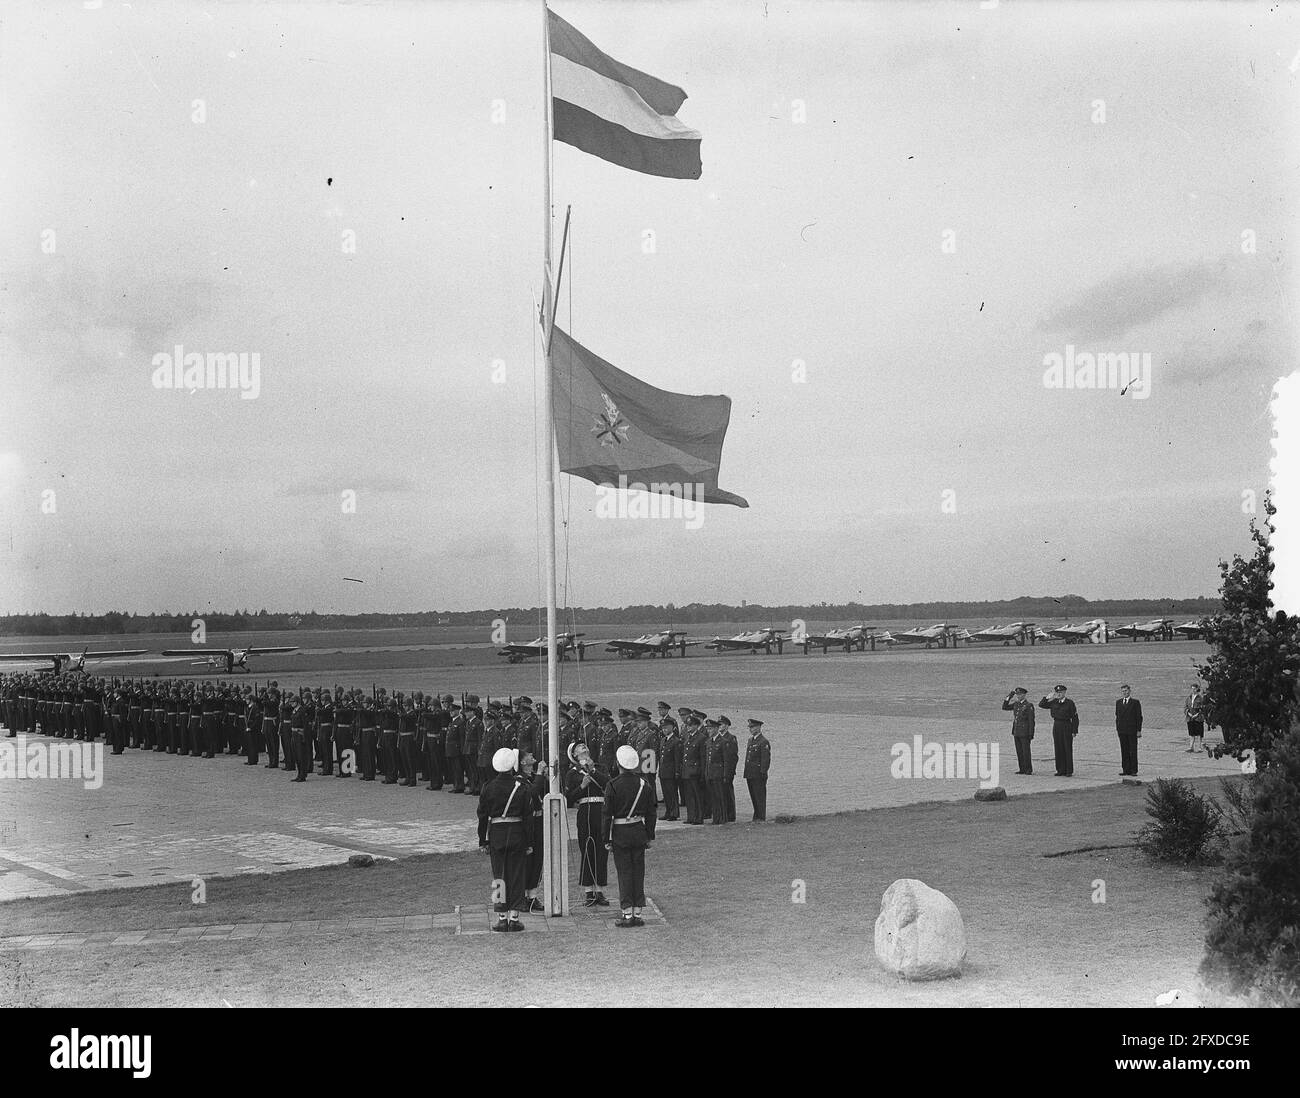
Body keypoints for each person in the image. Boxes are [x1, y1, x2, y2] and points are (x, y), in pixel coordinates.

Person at [477, 747, 531, 932]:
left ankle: (501, 917)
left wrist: (482, 841)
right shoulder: (521, 787)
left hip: (497, 834)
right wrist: (529, 842)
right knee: (517, 876)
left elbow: (482, 816)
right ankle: (514, 917)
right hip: (516, 833)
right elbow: (528, 817)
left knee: (498, 877)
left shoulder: (488, 787)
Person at [604, 744, 656, 928]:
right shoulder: (644, 784)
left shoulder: (613, 785)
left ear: (618, 763)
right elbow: (651, 813)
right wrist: (649, 835)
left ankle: (627, 913)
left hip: (620, 834)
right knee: (638, 872)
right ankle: (638, 912)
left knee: (624, 873)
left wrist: (606, 839)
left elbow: (607, 815)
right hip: (638, 832)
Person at [564, 742, 610, 906]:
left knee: (601, 850)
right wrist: (582, 786)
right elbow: (568, 798)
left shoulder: (600, 767)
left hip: (601, 810)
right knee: (587, 850)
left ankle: (599, 891)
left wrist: (593, 771)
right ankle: (588, 892)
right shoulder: (572, 773)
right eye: (579, 747)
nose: (584, 748)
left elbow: (608, 784)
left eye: (585, 746)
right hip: (584, 811)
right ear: (574, 755)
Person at [1039, 684, 1079, 776]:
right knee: (1058, 748)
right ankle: (1060, 770)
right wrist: (1047, 697)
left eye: (1061, 692)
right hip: (1056, 725)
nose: (1059, 694)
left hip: (1066, 725)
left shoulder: (1069, 703)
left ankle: (1068, 770)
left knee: (1067, 748)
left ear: (1064, 692)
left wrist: (1074, 730)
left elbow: (1075, 717)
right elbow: (1041, 705)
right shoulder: (1054, 702)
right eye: (1057, 692)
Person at [1001, 687, 1036, 774]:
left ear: (1024, 695)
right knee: (1019, 751)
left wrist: (1031, 733)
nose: (1018, 696)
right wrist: (1010, 695)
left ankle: (1028, 769)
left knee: (1026, 752)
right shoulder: (1016, 704)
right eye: (1017, 694)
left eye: (1020, 694)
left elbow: (1031, 721)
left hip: (1025, 732)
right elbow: (1004, 707)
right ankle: (1022, 769)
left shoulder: (1028, 705)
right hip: (1016, 731)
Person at [743, 718, 771, 821]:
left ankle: (761, 816)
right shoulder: (751, 740)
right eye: (750, 727)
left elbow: (765, 759)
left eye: (753, 727)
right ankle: (756, 815)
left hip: (758, 774)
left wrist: (763, 772)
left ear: (759, 727)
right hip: (750, 773)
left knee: (760, 796)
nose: (751, 729)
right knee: (753, 796)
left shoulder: (763, 741)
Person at [1115, 683, 1142, 776]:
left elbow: (1139, 717)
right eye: (1123, 691)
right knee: (1124, 750)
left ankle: (1134, 770)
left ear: (1129, 691)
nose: (1124, 693)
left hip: (1132, 730)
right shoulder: (1118, 702)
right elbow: (1117, 716)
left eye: (1126, 691)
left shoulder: (1135, 702)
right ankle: (1125, 769)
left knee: (1133, 750)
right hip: (1122, 731)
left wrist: (1139, 730)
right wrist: (1118, 729)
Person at [721, 715, 739, 822]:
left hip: (728, 770)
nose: (720, 726)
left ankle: (731, 815)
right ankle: (723, 813)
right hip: (719, 770)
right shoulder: (718, 738)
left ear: (727, 726)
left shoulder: (731, 738)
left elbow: (733, 757)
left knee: (728, 792)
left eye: (722, 724)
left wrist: (730, 771)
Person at [1184, 684, 1207, 753]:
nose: (1193, 690)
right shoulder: (1189, 698)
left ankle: (1199, 747)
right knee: (1191, 733)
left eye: (1194, 689)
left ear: (1197, 689)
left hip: (1198, 718)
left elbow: (1203, 708)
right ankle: (1191, 747)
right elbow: (1185, 707)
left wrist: (1197, 714)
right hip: (1190, 717)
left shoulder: (1200, 698)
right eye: (1192, 689)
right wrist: (1188, 713)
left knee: (1199, 733)